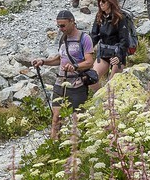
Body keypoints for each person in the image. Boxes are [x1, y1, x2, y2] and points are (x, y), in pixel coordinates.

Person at [29, 10, 98, 138]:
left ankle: (79, 144)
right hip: (60, 83)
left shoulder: (84, 38)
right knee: (56, 118)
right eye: (58, 26)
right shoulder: (63, 38)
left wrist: (75, 66)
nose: (60, 29)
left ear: (72, 22)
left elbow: (89, 62)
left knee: (78, 119)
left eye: (63, 25)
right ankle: (54, 144)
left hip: (77, 84)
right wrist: (43, 61)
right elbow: (60, 59)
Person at [87, 0, 136, 83]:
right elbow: (94, 36)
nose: (100, 3)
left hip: (117, 55)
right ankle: (101, 92)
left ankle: (108, 91)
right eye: (99, 1)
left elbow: (124, 40)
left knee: (112, 84)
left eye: (103, 1)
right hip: (103, 53)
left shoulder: (120, 18)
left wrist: (119, 56)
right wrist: (86, 49)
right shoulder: (99, 16)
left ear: (110, 2)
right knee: (91, 80)